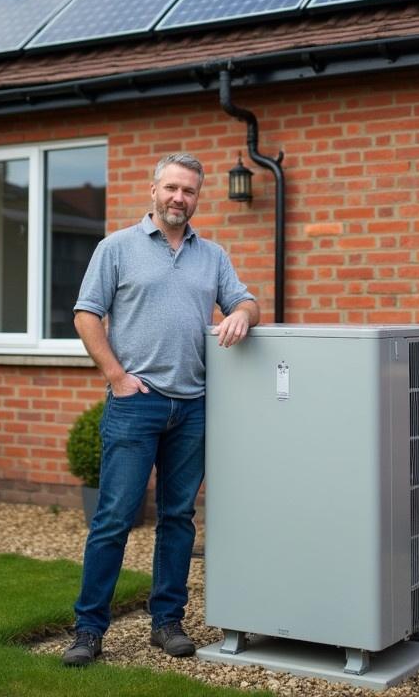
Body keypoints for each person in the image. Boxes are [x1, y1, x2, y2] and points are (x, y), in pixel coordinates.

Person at [63, 153, 260, 667]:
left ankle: (167, 622)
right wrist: (117, 378)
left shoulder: (212, 255)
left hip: (192, 406)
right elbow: (86, 314)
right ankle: (88, 630)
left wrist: (241, 314)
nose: (179, 198)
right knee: (113, 518)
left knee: (178, 518)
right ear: (154, 190)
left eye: (189, 191)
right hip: (136, 403)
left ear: (198, 197)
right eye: (171, 188)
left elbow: (247, 301)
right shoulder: (118, 248)